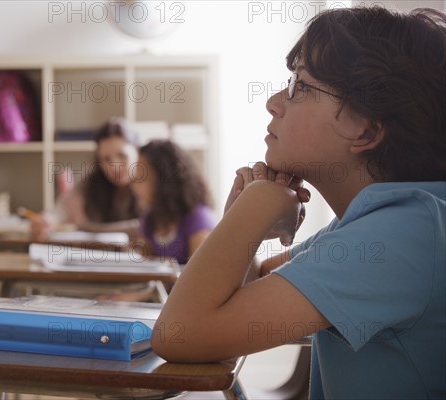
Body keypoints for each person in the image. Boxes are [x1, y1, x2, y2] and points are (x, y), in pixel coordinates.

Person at [152, 7, 445, 399]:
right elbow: (252, 284)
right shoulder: (372, 223)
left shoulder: (405, 234)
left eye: (301, 86)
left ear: (366, 128)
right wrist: (241, 218)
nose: (274, 102)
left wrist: (258, 205)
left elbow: (179, 335)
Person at [31, 117, 140, 240]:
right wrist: (46, 221)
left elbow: (142, 229)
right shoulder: (93, 179)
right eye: (106, 159)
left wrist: (85, 226)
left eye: (122, 156)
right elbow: (64, 207)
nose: (115, 166)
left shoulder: (151, 182)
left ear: (138, 152)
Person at [131, 139, 216, 265]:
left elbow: (200, 277)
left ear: (164, 179)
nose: (133, 185)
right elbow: (146, 266)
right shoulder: (149, 219)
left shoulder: (198, 219)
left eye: (141, 177)